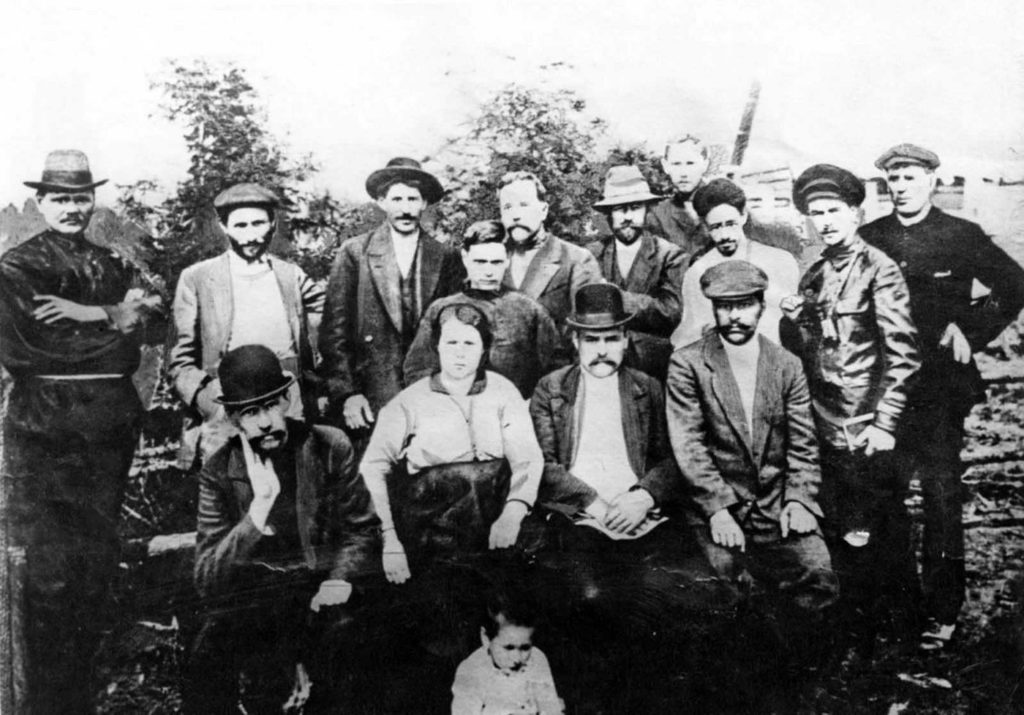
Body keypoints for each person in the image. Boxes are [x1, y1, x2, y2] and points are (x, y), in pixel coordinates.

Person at [0, 149, 163, 713]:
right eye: (60, 198)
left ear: (93, 199)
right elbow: (34, 347)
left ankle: (90, 694)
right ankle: (45, 700)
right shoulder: (16, 267)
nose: (73, 208)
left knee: (95, 564)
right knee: (49, 572)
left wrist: (98, 315)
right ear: (42, 202)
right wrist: (121, 321)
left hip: (108, 425)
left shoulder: (112, 261)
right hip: (47, 426)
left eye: (81, 197)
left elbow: (154, 321)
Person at [860, 143, 1024, 650]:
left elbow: (1014, 284)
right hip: (883, 389)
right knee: (885, 497)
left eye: (910, 176)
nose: (901, 185)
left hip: (939, 391)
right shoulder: (871, 237)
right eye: (893, 177)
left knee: (940, 496)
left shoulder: (961, 235)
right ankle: (899, 605)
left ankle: (942, 610)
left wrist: (970, 329)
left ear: (933, 179)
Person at [186, 345, 378, 713]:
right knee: (207, 654)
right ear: (232, 417)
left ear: (288, 399)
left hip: (319, 591)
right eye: (251, 412)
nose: (266, 422)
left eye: (272, 405)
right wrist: (258, 511)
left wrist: (339, 579)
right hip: (255, 605)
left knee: (354, 644)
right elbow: (207, 577)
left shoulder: (327, 445)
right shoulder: (218, 469)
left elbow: (363, 529)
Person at [780, 163, 921, 655]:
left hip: (867, 426)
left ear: (856, 212)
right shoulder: (815, 274)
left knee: (882, 528)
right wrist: (795, 320)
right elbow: (813, 354)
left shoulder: (880, 269)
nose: (824, 221)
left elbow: (903, 356)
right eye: (815, 214)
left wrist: (885, 422)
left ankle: (902, 633)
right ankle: (854, 635)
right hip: (825, 425)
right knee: (842, 527)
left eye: (833, 211)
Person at [667, 260, 837, 616]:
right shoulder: (688, 364)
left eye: (744, 305)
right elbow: (690, 446)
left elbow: (803, 443)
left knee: (817, 574)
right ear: (713, 309)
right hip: (716, 509)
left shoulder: (786, 364)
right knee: (725, 590)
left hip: (776, 506)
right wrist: (717, 510)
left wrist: (800, 499)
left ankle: (805, 669)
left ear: (762, 305)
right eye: (725, 306)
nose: (734, 317)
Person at [530, 284, 699, 629]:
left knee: (672, 598)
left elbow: (674, 458)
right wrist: (592, 502)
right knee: (592, 598)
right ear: (575, 342)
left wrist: (644, 496)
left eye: (610, 339)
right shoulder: (552, 389)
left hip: (641, 517)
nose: (602, 351)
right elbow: (541, 464)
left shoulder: (647, 387)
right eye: (591, 340)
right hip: (578, 516)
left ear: (625, 339)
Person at [168, 182, 325, 467]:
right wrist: (209, 399)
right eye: (240, 226)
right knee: (231, 485)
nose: (251, 235)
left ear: (273, 225)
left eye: (258, 223)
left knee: (295, 478)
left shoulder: (291, 276)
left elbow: (333, 315)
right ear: (223, 227)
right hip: (229, 397)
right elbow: (179, 361)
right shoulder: (197, 278)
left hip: (287, 395)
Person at [319, 157, 463, 436]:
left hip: (430, 392)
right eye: (397, 199)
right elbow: (334, 333)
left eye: (413, 199)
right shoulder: (355, 253)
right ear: (382, 201)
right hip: (370, 396)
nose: (405, 209)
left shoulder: (446, 256)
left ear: (424, 204)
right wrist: (347, 393)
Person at [404, 220, 565, 398]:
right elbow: (417, 370)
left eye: (495, 262)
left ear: (507, 259)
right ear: (465, 257)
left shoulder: (529, 310)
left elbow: (556, 369)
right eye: (480, 262)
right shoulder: (440, 309)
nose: (488, 271)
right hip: (454, 413)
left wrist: (530, 406)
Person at [672, 179, 799, 348]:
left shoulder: (780, 261)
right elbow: (690, 334)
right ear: (705, 226)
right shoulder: (697, 272)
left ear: (744, 216)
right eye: (716, 227)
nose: (725, 235)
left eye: (731, 224)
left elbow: (795, 323)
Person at [586, 165, 684, 380]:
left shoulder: (670, 255)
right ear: (609, 214)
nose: (627, 216)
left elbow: (670, 313)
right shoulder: (590, 255)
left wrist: (614, 297)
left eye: (635, 207)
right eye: (619, 209)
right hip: (600, 367)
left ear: (646, 210)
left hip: (652, 370)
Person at [498, 171, 602, 339]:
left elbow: (589, 332)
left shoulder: (577, 259)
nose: (515, 215)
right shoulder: (491, 260)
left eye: (524, 204)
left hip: (558, 364)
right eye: (507, 207)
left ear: (544, 210)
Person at [450, 594, 564, 715]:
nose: (517, 658)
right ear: (486, 639)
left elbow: (550, 707)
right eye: (509, 647)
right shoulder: (471, 671)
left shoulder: (537, 659)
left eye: (525, 648)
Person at [647, 135, 713, 260]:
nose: (683, 173)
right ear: (666, 166)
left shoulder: (724, 204)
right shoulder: (658, 214)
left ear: (705, 164)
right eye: (676, 164)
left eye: (690, 163)